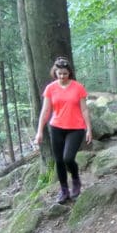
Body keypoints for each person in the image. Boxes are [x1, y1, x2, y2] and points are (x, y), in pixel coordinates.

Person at [35, 57, 93, 204]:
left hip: (76, 127)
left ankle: (75, 179)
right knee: (59, 161)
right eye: (59, 73)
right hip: (56, 127)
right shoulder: (50, 88)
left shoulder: (78, 87)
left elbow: (84, 109)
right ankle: (64, 190)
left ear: (69, 73)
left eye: (65, 74)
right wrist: (40, 131)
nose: (62, 76)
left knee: (68, 158)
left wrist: (89, 129)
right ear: (55, 72)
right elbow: (46, 110)